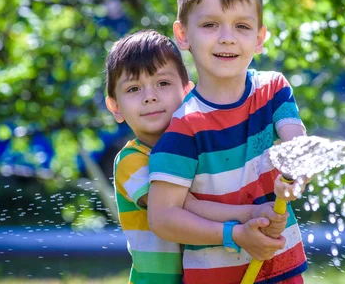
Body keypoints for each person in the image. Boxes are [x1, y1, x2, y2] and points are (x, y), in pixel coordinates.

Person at [148, 0, 309, 284]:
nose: (227, 38)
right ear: (183, 35)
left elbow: (297, 143)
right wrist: (234, 234)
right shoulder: (185, 127)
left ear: (260, 37)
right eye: (210, 24)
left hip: (282, 266)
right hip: (216, 276)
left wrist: (295, 174)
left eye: (242, 26)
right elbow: (163, 217)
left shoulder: (272, 90)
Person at [105, 29, 289, 284]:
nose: (150, 97)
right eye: (134, 88)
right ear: (115, 107)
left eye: (163, 83)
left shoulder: (197, 151)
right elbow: (183, 206)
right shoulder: (132, 160)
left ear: (187, 90)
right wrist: (248, 216)